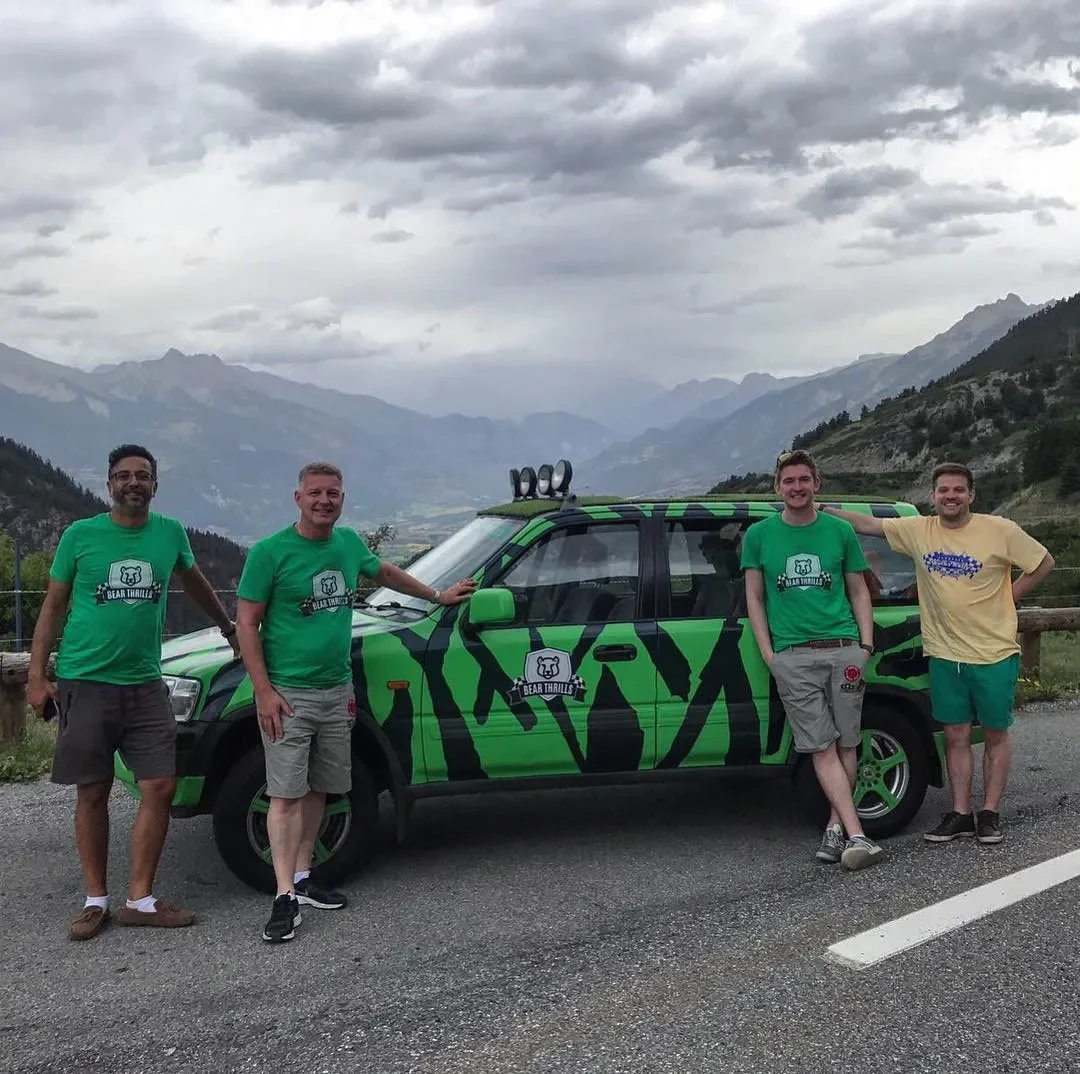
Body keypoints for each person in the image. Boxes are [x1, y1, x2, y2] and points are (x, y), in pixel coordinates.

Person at [235, 461, 476, 944]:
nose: (325, 500)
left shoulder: (346, 544)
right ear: (297, 497)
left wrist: (436, 595)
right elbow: (246, 623)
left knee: (321, 787)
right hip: (288, 693)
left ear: (341, 499)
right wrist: (263, 690)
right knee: (283, 795)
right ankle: (283, 896)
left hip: (336, 688)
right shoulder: (270, 552)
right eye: (316, 493)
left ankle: (303, 879)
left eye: (334, 493)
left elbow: (383, 571)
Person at [26, 444, 240, 941]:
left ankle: (140, 899)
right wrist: (38, 676)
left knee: (160, 786)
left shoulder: (169, 533)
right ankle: (95, 899)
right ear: (109, 484)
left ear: (154, 486)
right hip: (85, 679)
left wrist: (228, 628)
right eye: (123, 476)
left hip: (145, 681)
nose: (133, 483)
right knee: (93, 790)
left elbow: (198, 582)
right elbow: (53, 607)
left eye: (142, 476)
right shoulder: (80, 536)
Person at [825, 462, 1053, 845]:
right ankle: (961, 813)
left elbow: (1043, 562)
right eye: (944, 490)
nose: (951, 496)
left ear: (971, 495)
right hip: (946, 654)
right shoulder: (920, 530)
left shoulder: (999, 529)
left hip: (993, 652)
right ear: (932, 496)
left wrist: (1007, 598)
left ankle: (990, 813)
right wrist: (820, 510)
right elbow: (868, 526)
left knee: (996, 734)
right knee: (955, 735)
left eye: (958, 490)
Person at [741, 450, 883, 870]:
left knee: (847, 742)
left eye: (804, 479)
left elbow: (858, 591)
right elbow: (754, 598)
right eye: (789, 481)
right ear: (777, 487)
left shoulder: (839, 531)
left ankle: (836, 829)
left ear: (816, 483)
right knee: (820, 746)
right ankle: (858, 835)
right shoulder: (759, 535)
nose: (797, 487)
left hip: (844, 650)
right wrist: (770, 655)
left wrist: (866, 645)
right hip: (792, 656)